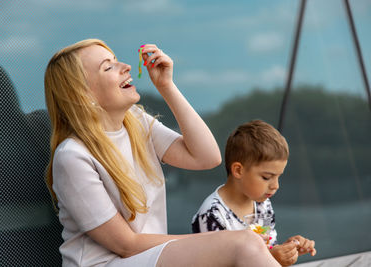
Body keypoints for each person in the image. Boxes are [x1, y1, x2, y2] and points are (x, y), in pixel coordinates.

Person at [44, 38, 281, 267]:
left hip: (149, 258)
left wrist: (166, 86)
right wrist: (220, 242)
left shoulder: (136, 123)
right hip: (111, 262)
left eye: (116, 60)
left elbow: (207, 157)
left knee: (241, 245)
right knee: (242, 244)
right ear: (83, 95)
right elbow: (126, 244)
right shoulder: (73, 157)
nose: (125, 66)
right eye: (108, 67)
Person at [191, 120, 317, 266]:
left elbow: (268, 248)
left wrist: (287, 250)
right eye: (266, 177)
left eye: (278, 177)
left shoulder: (262, 203)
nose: (275, 186)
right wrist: (271, 259)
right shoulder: (211, 216)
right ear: (238, 170)